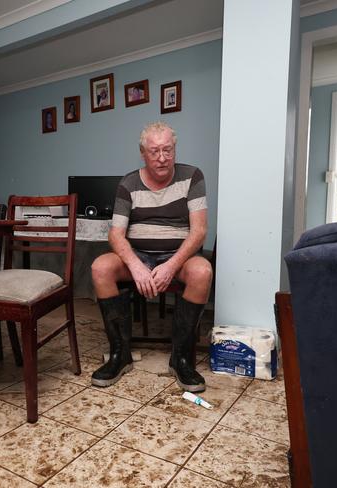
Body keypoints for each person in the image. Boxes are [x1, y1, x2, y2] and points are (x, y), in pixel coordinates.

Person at [90, 121, 212, 392]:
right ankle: (120, 355)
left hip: (177, 257)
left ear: (174, 149)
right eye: (154, 151)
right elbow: (115, 235)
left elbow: (200, 230)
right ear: (143, 153)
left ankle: (180, 359)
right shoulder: (129, 182)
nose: (162, 158)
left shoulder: (192, 176)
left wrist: (171, 265)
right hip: (138, 256)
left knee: (202, 272)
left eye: (168, 150)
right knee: (101, 267)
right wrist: (135, 265)